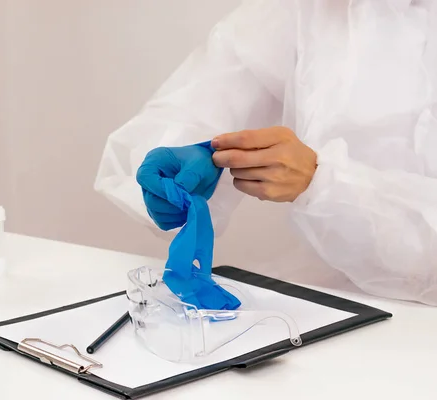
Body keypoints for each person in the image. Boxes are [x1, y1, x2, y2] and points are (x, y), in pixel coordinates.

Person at [94, 0, 437, 306]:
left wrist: (326, 183)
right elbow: (212, 92)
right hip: (344, 303)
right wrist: (178, 156)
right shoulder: (303, 10)